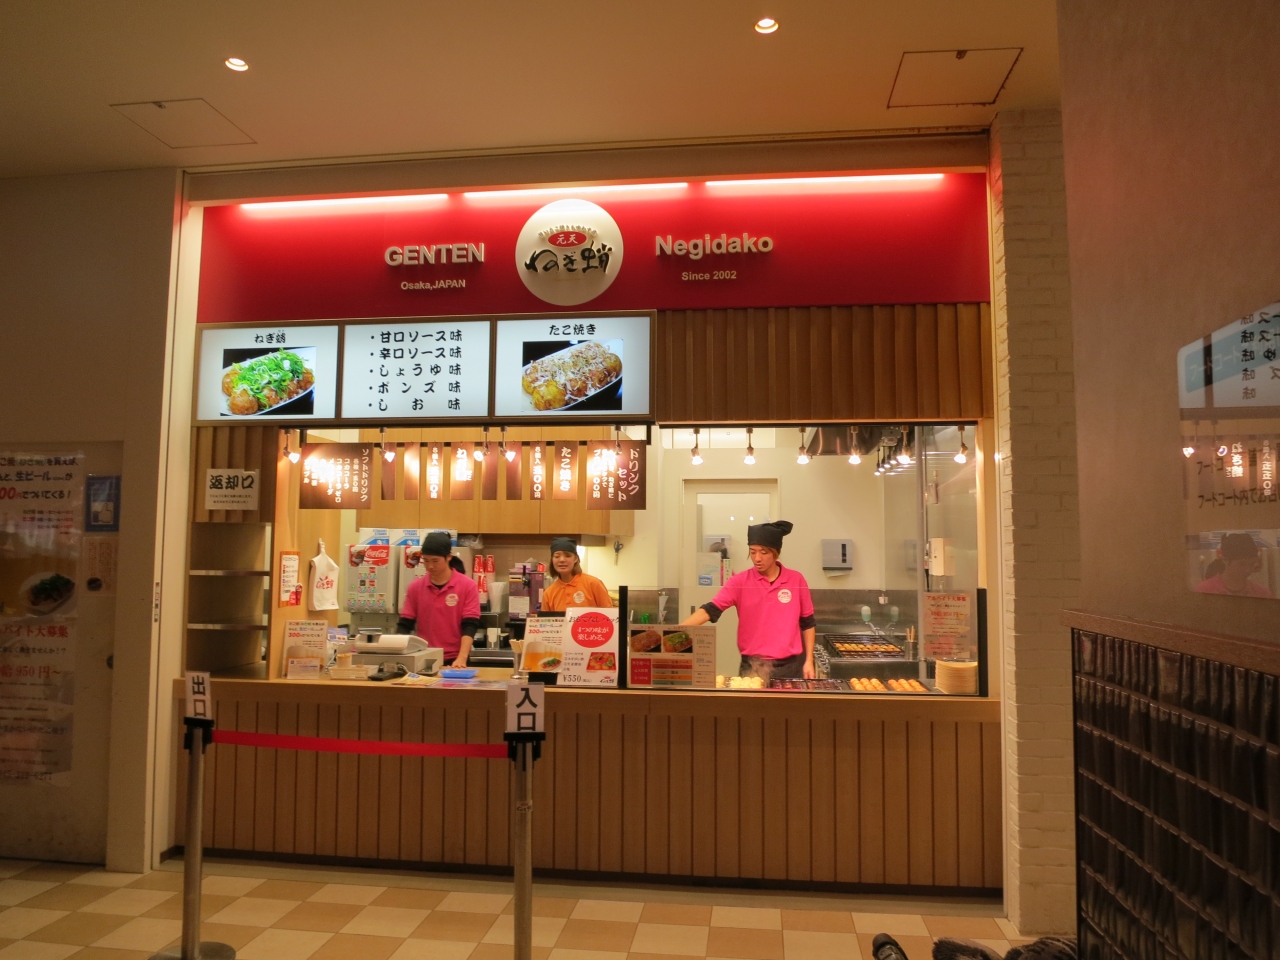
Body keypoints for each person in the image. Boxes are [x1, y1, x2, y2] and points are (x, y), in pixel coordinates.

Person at [680, 520, 816, 680]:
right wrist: (675, 631)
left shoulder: (796, 580)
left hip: (790, 667)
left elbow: (808, 622)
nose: (757, 558)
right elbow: (710, 609)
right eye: (752, 552)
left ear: (776, 552)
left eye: (764, 552)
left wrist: (809, 660)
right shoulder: (739, 582)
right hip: (752, 666)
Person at [396, 531, 481, 666]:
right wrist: (397, 654)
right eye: (426, 560)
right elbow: (405, 625)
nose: (430, 566)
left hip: (456, 658)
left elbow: (470, 625)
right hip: (425, 657)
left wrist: (462, 658)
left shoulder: (467, 586)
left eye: (435, 561)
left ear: (448, 557)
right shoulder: (415, 588)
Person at [540, 537, 613, 611]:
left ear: (575, 559)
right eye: (557, 556)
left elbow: (609, 614)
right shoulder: (549, 593)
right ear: (552, 560)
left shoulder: (593, 584)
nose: (562, 560)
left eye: (567, 556)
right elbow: (546, 618)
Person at [1195, 532, 1273, 597]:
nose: (1248, 570)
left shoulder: (1262, 593)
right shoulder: (1205, 591)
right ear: (1225, 560)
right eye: (1242, 564)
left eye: (1252, 564)